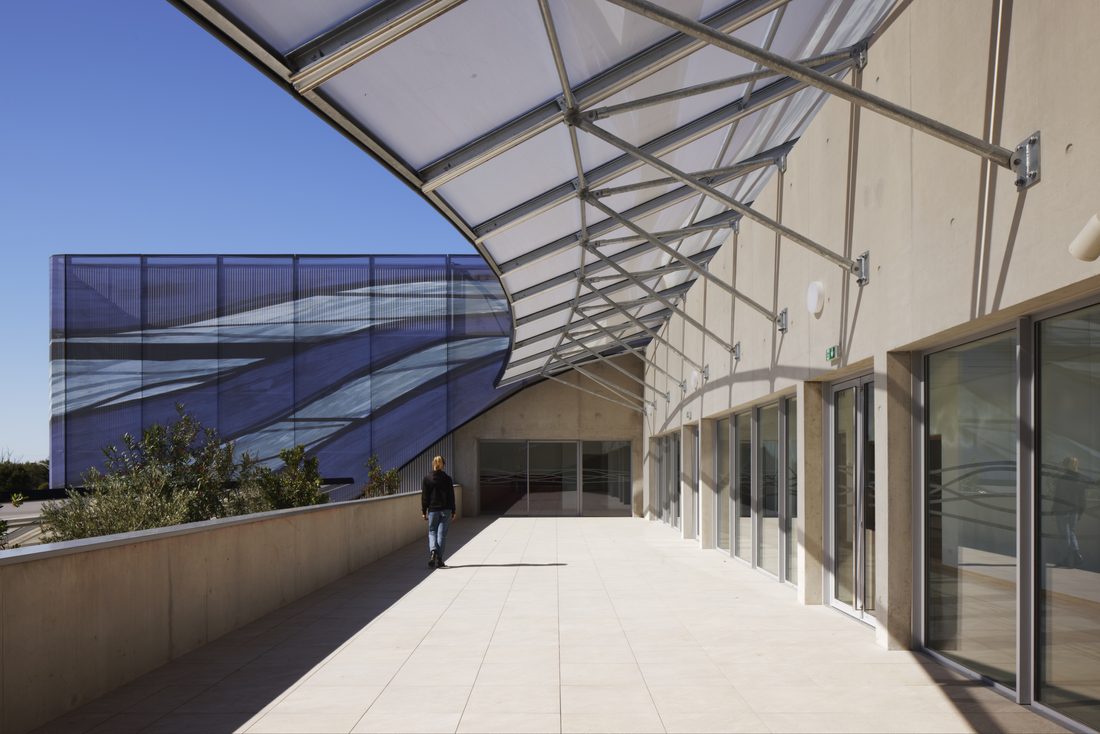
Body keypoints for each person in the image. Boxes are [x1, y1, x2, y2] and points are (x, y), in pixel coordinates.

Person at [421, 455, 456, 569]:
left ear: (433, 464)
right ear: (443, 465)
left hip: (433, 510)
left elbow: (425, 497)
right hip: (446, 509)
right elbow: (451, 495)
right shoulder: (447, 478)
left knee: (432, 532)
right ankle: (440, 560)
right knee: (442, 535)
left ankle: (433, 552)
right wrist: (453, 510)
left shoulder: (427, 478)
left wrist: (423, 510)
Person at [1053, 456, 1087, 568]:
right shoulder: (1080, 479)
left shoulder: (1063, 479)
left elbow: (1058, 496)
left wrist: (1054, 509)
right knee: (1071, 532)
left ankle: (1064, 559)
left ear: (1066, 465)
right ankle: (1076, 555)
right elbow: (1083, 497)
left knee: (1064, 535)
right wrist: (1081, 510)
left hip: (1063, 510)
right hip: (1075, 510)